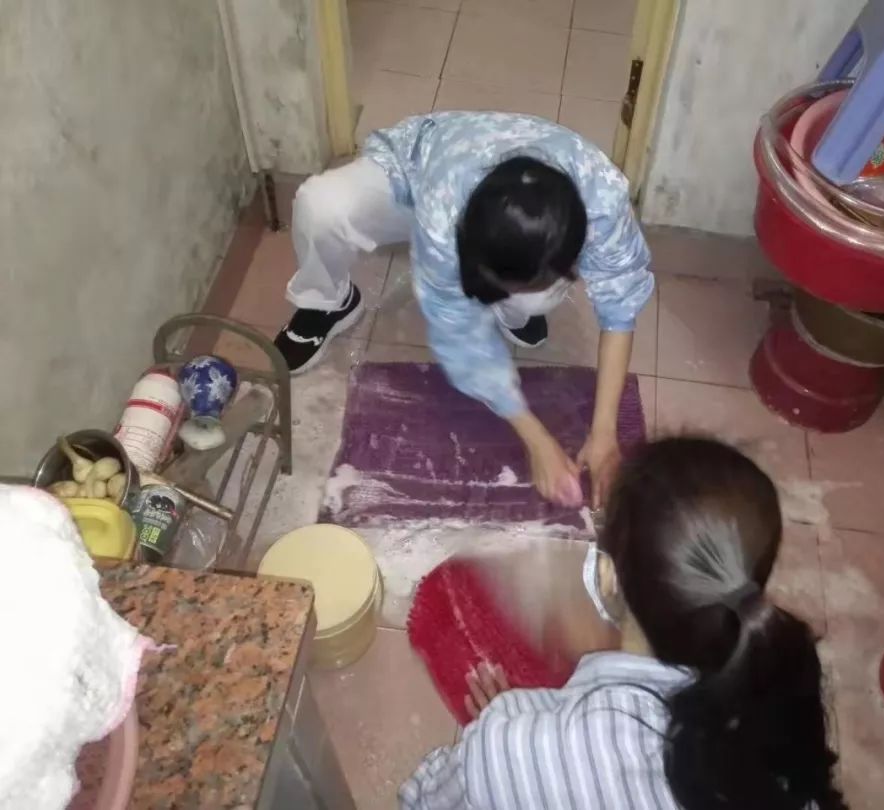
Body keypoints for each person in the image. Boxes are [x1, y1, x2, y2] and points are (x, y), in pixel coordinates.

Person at [399, 437, 848, 810]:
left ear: (607, 575)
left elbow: (422, 801)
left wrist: (505, 731)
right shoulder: (780, 705)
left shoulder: (508, 751)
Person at [274, 112, 654, 507]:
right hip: (414, 173)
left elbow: (619, 305)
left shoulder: (603, 200)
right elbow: (458, 335)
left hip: (487, 201)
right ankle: (330, 302)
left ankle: (519, 307)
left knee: (534, 299)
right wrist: (537, 439)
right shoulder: (443, 212)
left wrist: (604, 433)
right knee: (320, 206)